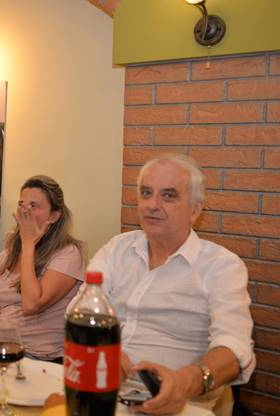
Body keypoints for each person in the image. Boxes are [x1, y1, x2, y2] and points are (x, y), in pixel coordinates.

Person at [63, 154, 255, 414]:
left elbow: (234, 347)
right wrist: (104, 347)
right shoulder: (116, 249)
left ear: (195, 210)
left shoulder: (221, 266)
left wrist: (185, 382)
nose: (151, 205)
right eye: (146, 193)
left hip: (176, 402)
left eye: (168, 195)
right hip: (98, 389)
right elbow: (77, 311)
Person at [0, 175, 84, 362]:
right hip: (0, 351)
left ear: (54, 215)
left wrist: (28, 243)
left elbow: (31, 304)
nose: (25, 212)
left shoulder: (69, 254)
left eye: (33, 206)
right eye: (21, 205)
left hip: (41, 359)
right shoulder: (7, 255)